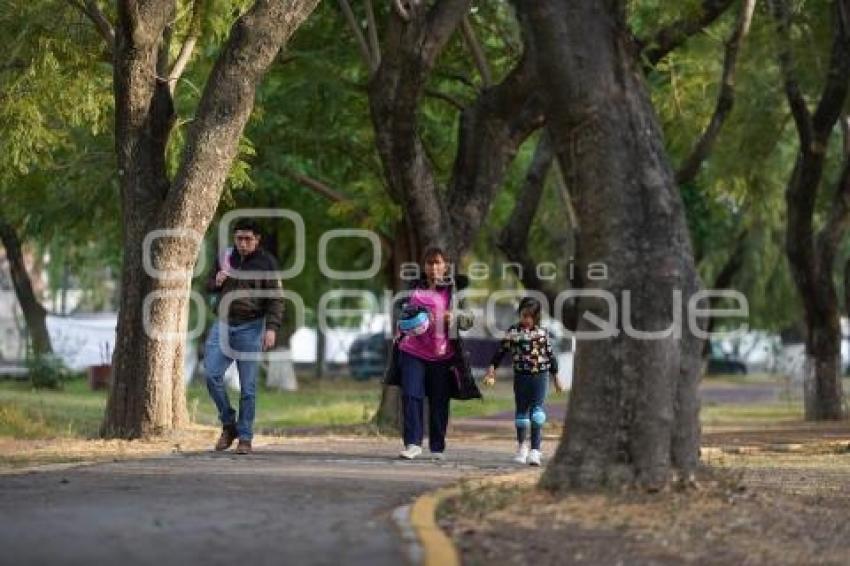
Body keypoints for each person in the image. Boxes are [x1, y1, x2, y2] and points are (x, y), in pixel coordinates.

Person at [204, 219, 284, 454]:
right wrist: (215, 282)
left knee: (248, 388)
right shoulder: (225, 257)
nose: (243, 243)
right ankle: (229, 424)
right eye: (239, 238)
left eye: (248, 238)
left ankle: (245, 438)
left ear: (257, 239)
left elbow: (276, 299)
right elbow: (207, 285)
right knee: (211, 375)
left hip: (252, 327)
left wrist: (271, 328)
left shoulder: (267, 263)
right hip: (224, 325)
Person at [394, 246, 478, 461]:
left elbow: (469, 319)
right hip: (412, 350)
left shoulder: (454, 290)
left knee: (439, 400)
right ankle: (412, 443)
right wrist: (404, 320)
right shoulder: (413, 287)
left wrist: (455, 317)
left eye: (438, 263)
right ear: (424, 266)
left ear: (446, 266)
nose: (434, 267)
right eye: (430, 263)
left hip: (442, 355)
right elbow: (399, 309)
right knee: (411, 395)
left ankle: (437, 447)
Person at [484, 297, 561, 466]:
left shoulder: (542, 333)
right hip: (521, 377)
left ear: (536, 317)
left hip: (540, 376)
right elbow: (500, 351)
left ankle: (535, 450)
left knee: (538, 414)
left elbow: (550, 355)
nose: (526, 320)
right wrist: (492, 369)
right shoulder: (513, 332)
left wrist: (556, 378)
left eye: (529, 317)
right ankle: (521, 447)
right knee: (521, 415)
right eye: (523, 315)